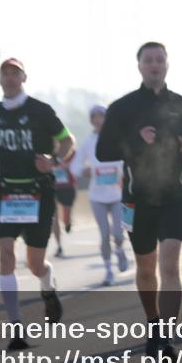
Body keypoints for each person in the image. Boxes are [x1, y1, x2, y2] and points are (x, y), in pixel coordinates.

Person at [95, 43, 182, 360]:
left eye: (160, 59)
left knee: (170, 263)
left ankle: (166, 337)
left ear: (167, 65)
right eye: (149, 60)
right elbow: (103, 151)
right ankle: (153, 324)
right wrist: (135, 140)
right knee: (146, 269)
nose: (155, 65)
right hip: (136, 199)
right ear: (139, 66)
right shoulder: (122, 108)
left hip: (175, 195)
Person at [0, 58, 74, 350]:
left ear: (24, 77)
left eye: (15, 73)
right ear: (0, 80)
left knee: (35, 263)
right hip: (8, 193)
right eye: (5, 74)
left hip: (38, 193)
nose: (10, 78)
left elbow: (67, 141)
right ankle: (16, 328)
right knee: (5, 254)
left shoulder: (41, 110)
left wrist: (55, 161)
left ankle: (47, 287)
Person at [71, 105, 128, 286]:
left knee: (118, 234)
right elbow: (75, 166)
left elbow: (127, 159)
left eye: (101, 116)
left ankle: (119, 250)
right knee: (104, 235)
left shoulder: (116, 138)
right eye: (94, 117)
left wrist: (123, 171)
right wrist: (84, 171)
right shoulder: (88, 142)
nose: (98, 120)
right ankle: (108, 271)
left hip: (117, 195)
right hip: (97, 197)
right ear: (91, 120)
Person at [50, 151, 77, 258]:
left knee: (66, 219)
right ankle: (59, 245)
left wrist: (67, 164)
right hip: (52, 188)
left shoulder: (70, 152)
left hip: (67, 188)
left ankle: (67, 223)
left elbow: (77, 164)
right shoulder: (46, 154)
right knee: (54, 218)